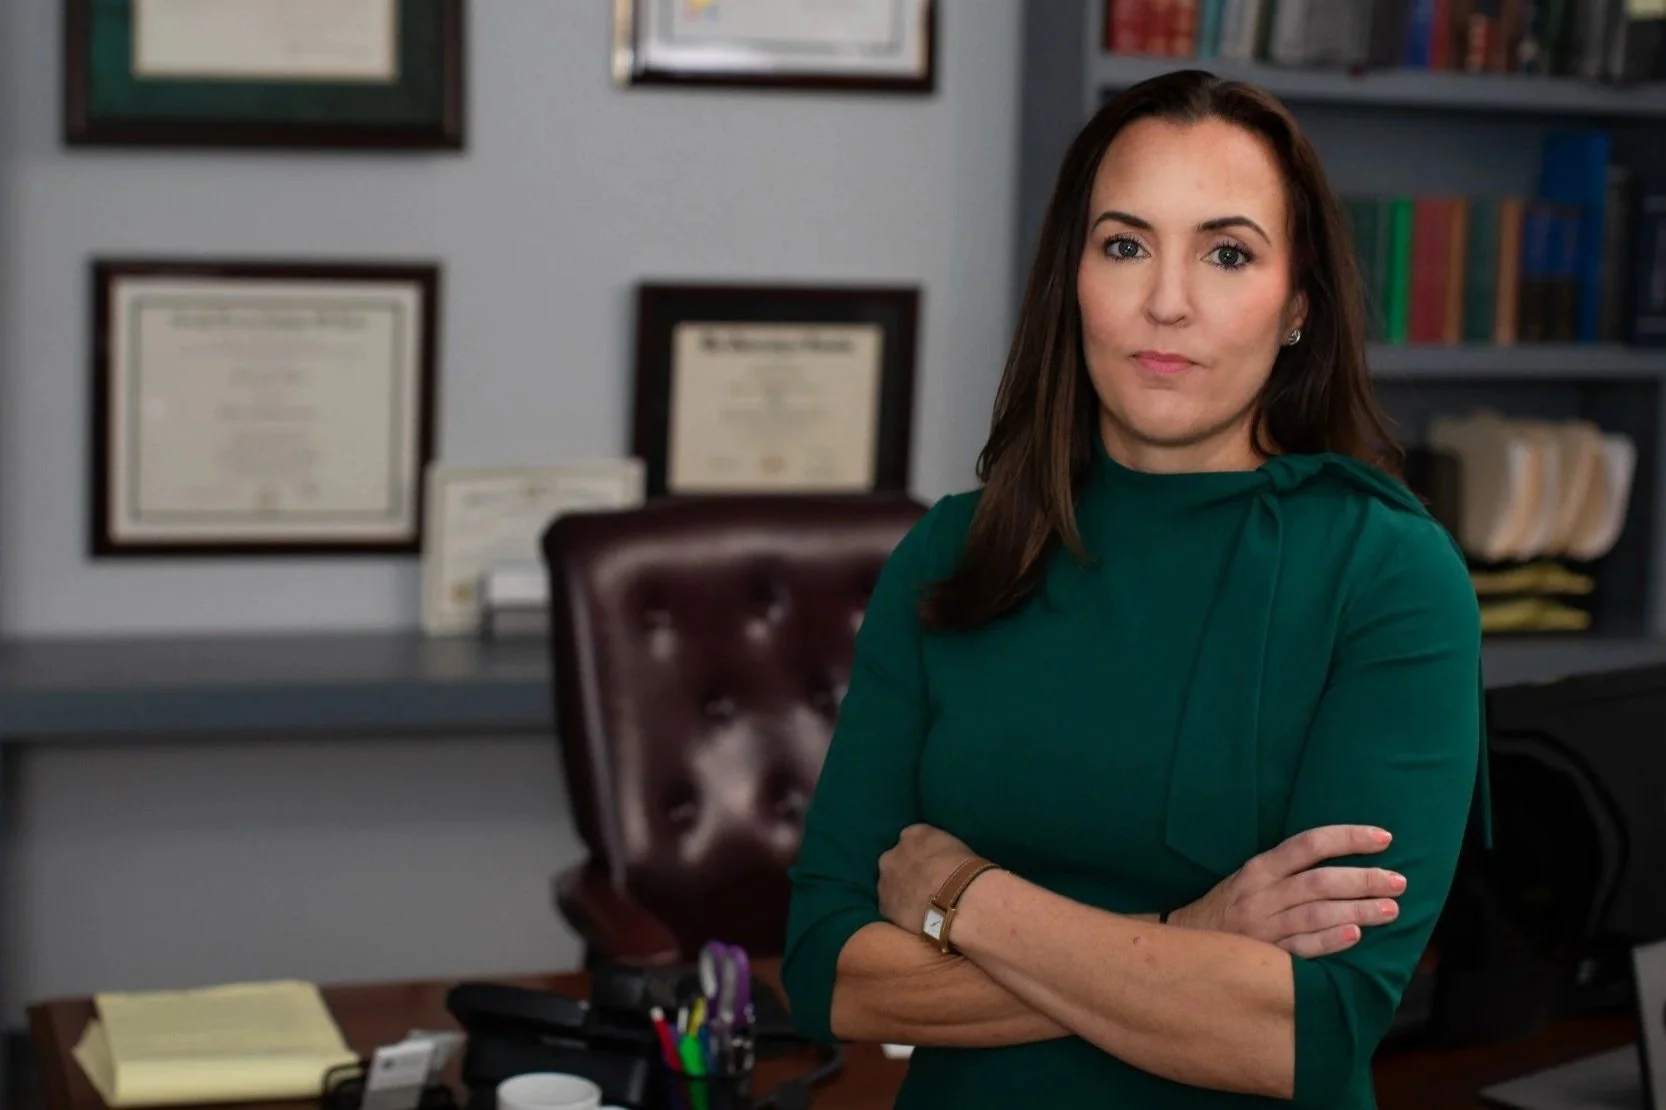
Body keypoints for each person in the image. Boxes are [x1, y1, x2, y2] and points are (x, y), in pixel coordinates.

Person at [780, 68, 1488, 1109]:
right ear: (1073, 281)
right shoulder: (950, 555)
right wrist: (1189, 939)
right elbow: (827, 975)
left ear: (1297, 303)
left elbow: (1300, 1030)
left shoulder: (1386, 572)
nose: (1167, 300)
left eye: (1227, 252)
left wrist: (967, 900)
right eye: (1124, 245)